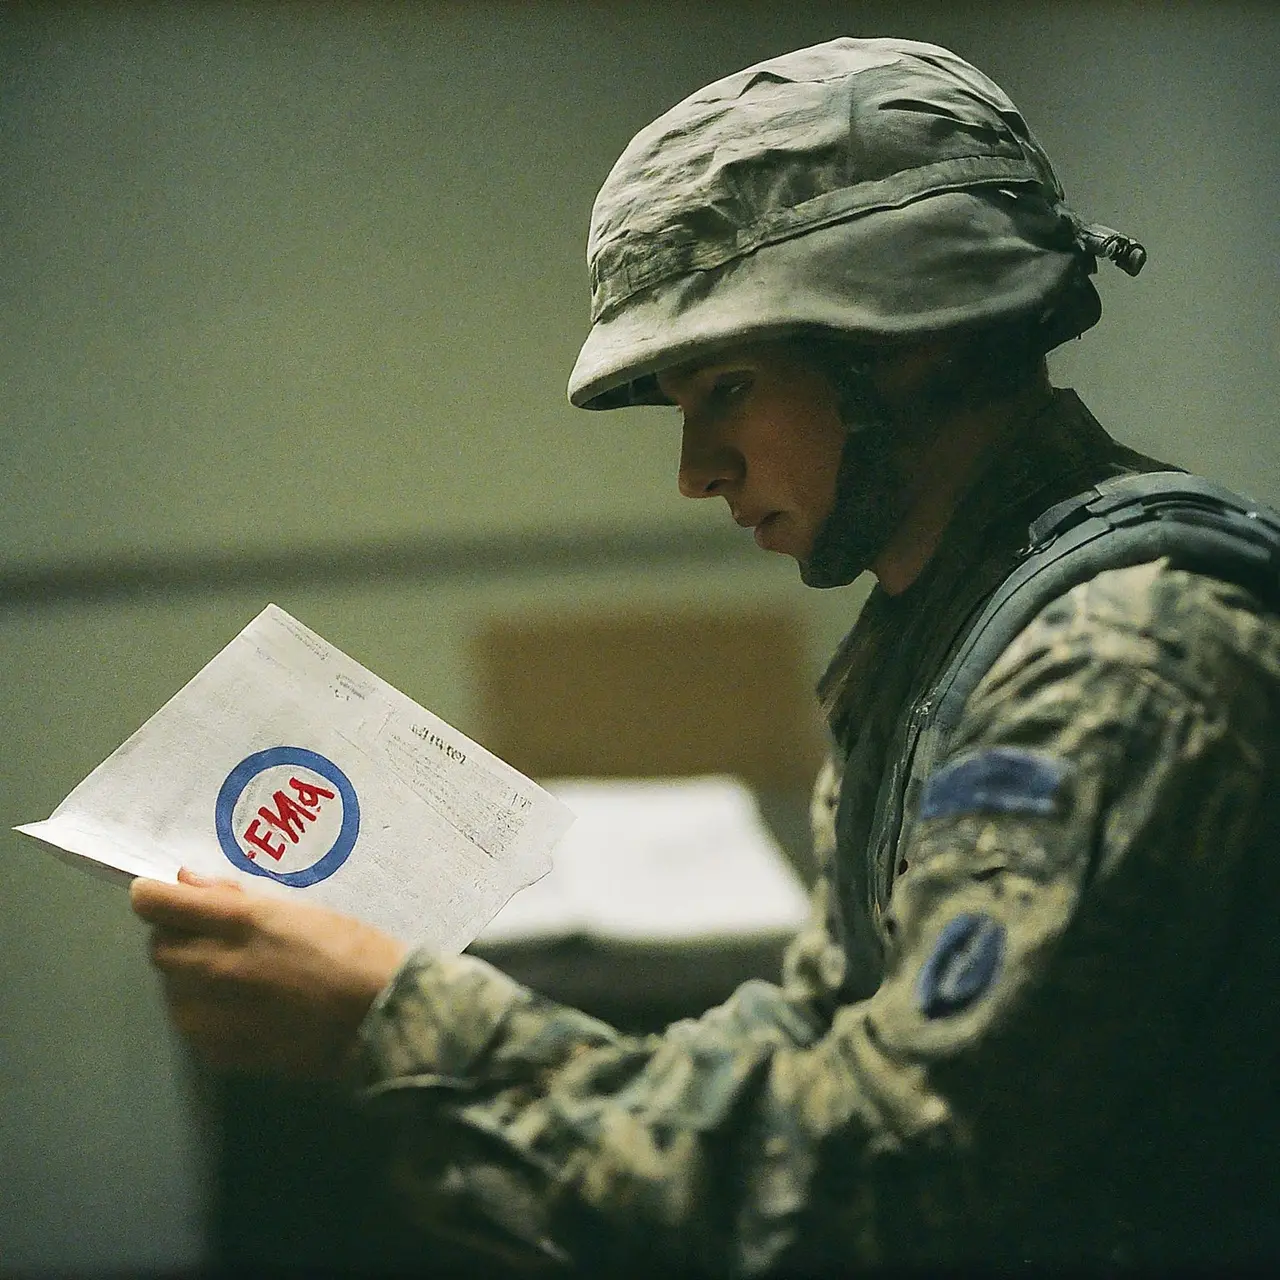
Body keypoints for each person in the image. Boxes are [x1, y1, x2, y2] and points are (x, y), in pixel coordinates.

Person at [130, 37, 1280, 1272]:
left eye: (727, 386)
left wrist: (396, 1017)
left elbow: (878, 1188)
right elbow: (824, 1040)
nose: (695, 472)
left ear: (912, 334)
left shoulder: (1118, 666)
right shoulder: (940, 625)